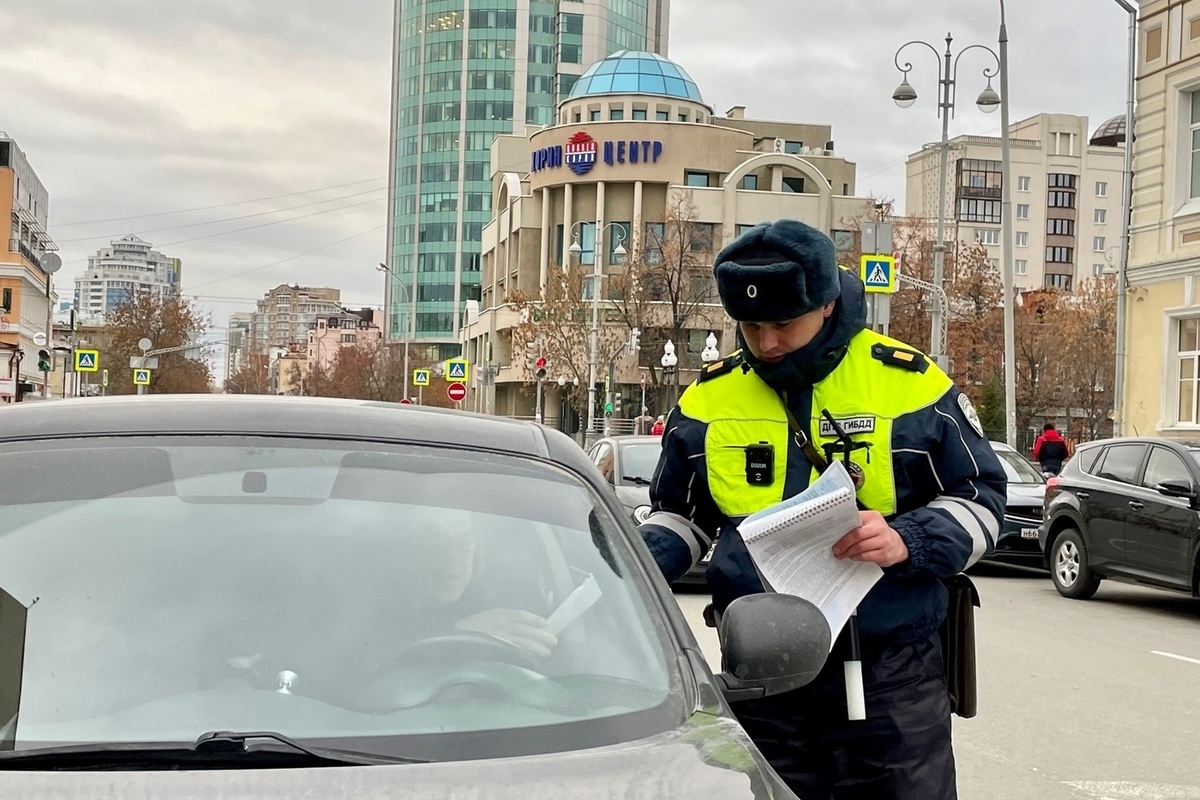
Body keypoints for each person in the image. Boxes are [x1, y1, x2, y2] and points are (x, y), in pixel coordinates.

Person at [637, 220, 1007, 800]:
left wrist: (908, 537)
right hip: (762, 676)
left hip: (890, 674)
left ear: (828, 302)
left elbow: (982, 500)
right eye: (751, 326)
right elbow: (681, 517)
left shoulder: (907, 383)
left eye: (783, 323)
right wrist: (626, 569)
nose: (766, 343)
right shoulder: (708, 398)